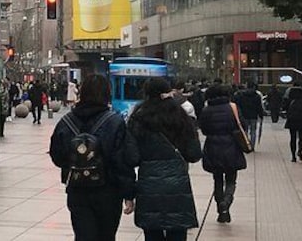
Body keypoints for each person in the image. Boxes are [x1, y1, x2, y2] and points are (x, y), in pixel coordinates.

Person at [49, 74, 135, 241]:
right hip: (108, 191)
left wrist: (76, 162)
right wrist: (128, 193)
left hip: (78, 190)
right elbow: (123, 161)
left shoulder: (66, 122)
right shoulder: (115, 122)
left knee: (83, 236)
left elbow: (57, 155)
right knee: (106, 236)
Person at [127, 78, 202, 240]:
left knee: (152, 232)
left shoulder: (138, 118)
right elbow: (194, 154)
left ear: (146, 94)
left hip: (149, 183)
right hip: (177, 183)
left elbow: (131, 157)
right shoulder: (181, 116)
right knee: (177, 230)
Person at [198, 84, 247, 224]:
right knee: (231, 179)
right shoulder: (233, 108)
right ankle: (226, 201)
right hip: (232, 146)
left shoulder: (206, 110)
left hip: (213, 147)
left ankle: (221, 210)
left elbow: (204, 129)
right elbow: (242, 125)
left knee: (217, 180)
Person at [235, 81, 265, 151]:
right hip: (253, 116)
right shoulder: (256, 96)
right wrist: (261, 115)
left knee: (245, 131)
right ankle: (252, 146)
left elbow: (239, 105)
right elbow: (259, 107)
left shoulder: (242, 95)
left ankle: (246, 144)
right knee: (253, 131)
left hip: (244, 115)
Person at [285, 80, 302, 162]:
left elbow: (285, 107)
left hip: (292, 119)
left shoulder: (289, 96)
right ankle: (300, 151)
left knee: (293, 138)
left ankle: (293, 156)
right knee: (301, 137)